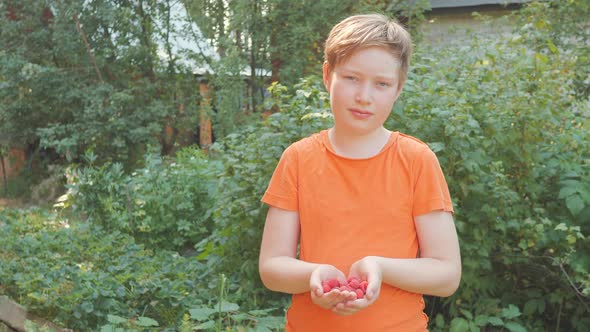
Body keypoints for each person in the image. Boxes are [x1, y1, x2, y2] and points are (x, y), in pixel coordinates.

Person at [258, 13, 461, 332]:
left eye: (382, 84)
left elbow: (447, 274)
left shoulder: (417, 160)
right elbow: (271, 267)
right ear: (328, 75)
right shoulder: (298, 159)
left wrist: (378, 267)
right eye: (352, 78)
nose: (364, 96)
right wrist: (314, 275)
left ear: (398, 88)